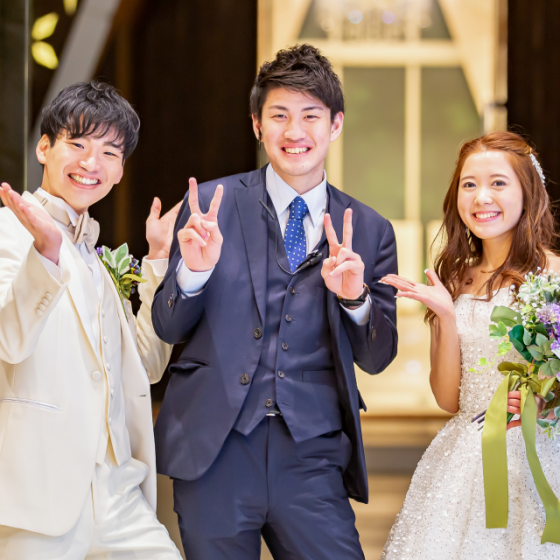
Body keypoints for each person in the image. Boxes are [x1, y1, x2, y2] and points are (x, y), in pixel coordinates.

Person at [151, 44, 398, 559]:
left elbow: (377, 357)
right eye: (279, 115)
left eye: (310, 116)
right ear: (257, 125)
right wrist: (194, 272)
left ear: (335, 125)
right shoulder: (208, 208)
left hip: (312, 456)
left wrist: (355, 299)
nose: (294, 131)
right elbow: (168, 327)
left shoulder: (369, 230)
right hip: (214, 449)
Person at [0, 81, 182, 559]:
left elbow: (144, 368)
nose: (91, 163)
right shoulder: (7, 234)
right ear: (44, 147)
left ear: (120, 171)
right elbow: (9, 340)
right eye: (77, 144)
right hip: (38, 495)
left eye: (109, 152)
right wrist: (44, 256)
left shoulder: (94, 260)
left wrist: (157, 261)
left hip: (117, 491)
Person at [380, 131, 560, 559]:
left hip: (543, 449)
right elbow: (448, 399)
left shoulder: (554, 274)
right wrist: (445, 315)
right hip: (468, 454)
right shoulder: (455, 278)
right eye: (469, 184)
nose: (482, 197)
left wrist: (549, 397)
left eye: (498, 183)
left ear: (527, 192)